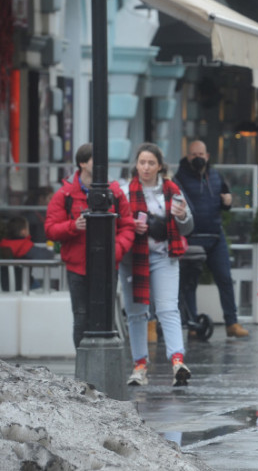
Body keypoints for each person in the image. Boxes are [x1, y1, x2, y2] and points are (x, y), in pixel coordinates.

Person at [44, 143, 135, 348]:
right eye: (96, 160)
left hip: (106, 265)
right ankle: (83, 368)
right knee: (81, 318)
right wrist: (73, 226)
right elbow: (50, 229)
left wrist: (116, 251)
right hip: (78, 266)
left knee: (105, 318)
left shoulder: (115, 192)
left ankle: (102, 362)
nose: (103, 165)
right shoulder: (65, 194)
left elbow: (127, 226)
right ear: (83, 163)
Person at [119, 142, 195, 386]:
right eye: (142, 162)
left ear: (160, 166)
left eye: (151, 163)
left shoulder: (172, 191)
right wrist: (132, 225)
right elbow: (118, 224)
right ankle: (139, 366)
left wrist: (181, 215)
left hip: (164, 256)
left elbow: (188, 226)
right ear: (136, 164)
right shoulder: (124, 191)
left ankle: (177, 361)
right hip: (133, 258)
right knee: (136, 313)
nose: (146, 167)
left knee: (167, 309)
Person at [174, 140, 249, 338]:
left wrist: (228, 201)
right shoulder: (178, 178)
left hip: (216, 237)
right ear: (187, 156)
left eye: (201, 153)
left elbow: (226, 197)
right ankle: (193, 324)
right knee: (190, 283)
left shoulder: (215, 175)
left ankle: (232, 323)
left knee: (225, 279)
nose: (197, 157)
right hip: (191, 238)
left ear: (207, 156)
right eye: (193, 154)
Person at [1, 216, 54, 290]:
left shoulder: (3, 244)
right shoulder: (23, 245)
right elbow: (47, 255)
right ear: (23, 232)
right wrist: (50, 247)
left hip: (4, 285)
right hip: (24, 285)